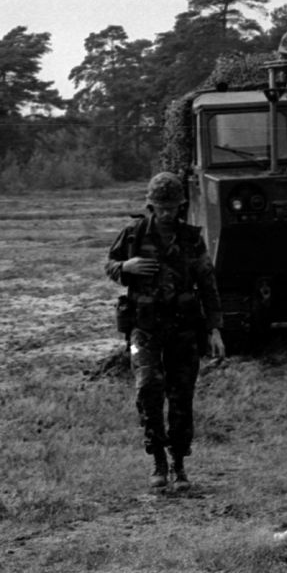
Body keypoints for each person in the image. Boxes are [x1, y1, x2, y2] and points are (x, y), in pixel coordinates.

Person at [105, 172, 225, 492]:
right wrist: (126, 268)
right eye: (161, 207)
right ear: (151, 206)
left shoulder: (190, 238)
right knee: (148, 388)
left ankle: (179, 464)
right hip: (144, 328)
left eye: (173, 207)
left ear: (180, 206)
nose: (167, 213)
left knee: (181, 396)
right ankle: (157, 458)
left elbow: (208, 284)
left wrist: (214, 329)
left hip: (184, 328)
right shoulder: (133, 235)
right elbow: (111, 265)